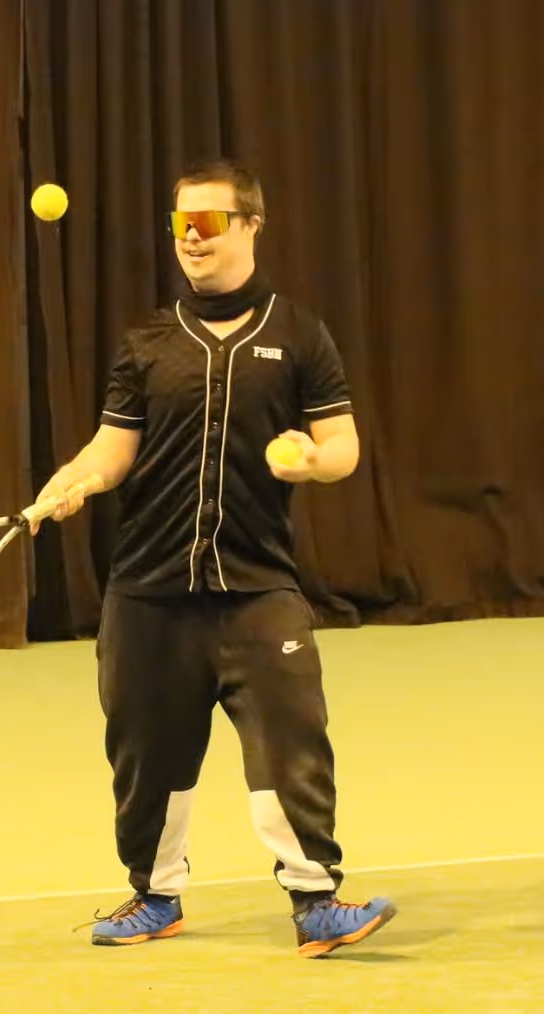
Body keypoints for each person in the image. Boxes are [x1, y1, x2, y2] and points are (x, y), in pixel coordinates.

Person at [33, 158, 395, 959]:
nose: (190, 239)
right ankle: (154, 897)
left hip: (258, 588)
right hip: (147, 592)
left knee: (292, 740)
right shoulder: (147, 342)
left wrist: (313, 461)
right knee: (145, 753)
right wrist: (76, 480)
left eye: (207, 223)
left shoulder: (300, 335)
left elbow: (343, 446)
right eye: (179, 225)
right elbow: (111, 448)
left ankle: (317, 902)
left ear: (251, 226)